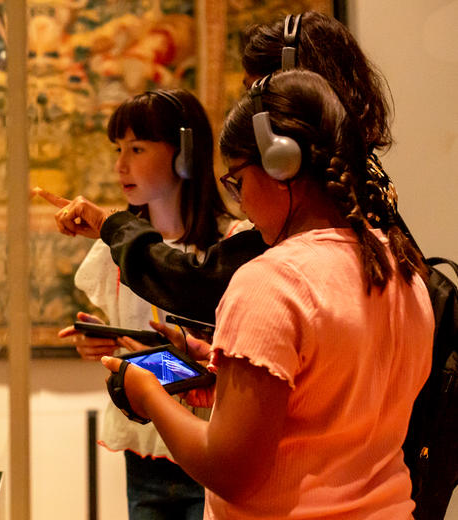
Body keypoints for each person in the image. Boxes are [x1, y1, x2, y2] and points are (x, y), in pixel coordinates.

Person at [102, 69, 433, 518]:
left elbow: (229, 470)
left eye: (237, 179)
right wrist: (227, 383)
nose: (240, 201)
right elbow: (329, 408)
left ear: (281, 166)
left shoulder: (271, 282)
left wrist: (147, 394)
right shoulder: (402, 268)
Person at [39, 12, 413, 327]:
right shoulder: (368, 201)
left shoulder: (294, 253)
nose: (251, 116)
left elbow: (197, 283)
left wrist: (111, 226)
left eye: (257, 97)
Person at [38, 88, 249, 518]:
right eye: (119, 149)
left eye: (137, 148)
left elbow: (239, 356)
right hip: (147, 452)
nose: (120, 165)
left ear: (184, 152)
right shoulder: (114, 249)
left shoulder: (232, 244)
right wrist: (101, 347)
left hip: (214, 451)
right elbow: (125, 346)